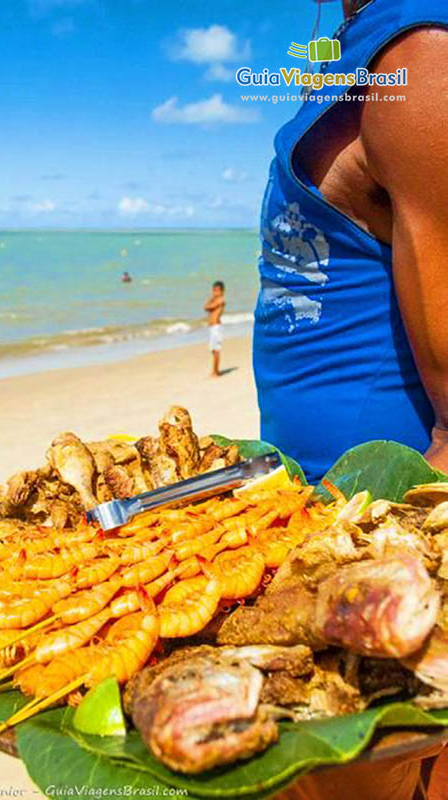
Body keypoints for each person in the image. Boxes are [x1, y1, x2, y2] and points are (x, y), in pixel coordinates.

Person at [252, 0, 448, 797]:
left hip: (372, 551)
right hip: (313, 509)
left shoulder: (422, 64)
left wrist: (374, 563)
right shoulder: (356, 56)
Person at [205, 280, 225, 377]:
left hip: (216, 328)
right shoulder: (215, 299)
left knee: (216, 349)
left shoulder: (221, 300)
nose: (215, 293)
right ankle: (215, 370)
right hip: (212, 328)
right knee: (213, 349)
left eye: (217, 291)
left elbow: (208, 307)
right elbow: (206, 306)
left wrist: (212, 298)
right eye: (213, 291)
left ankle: (216, 371)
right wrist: (212, 297)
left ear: (222, 291)